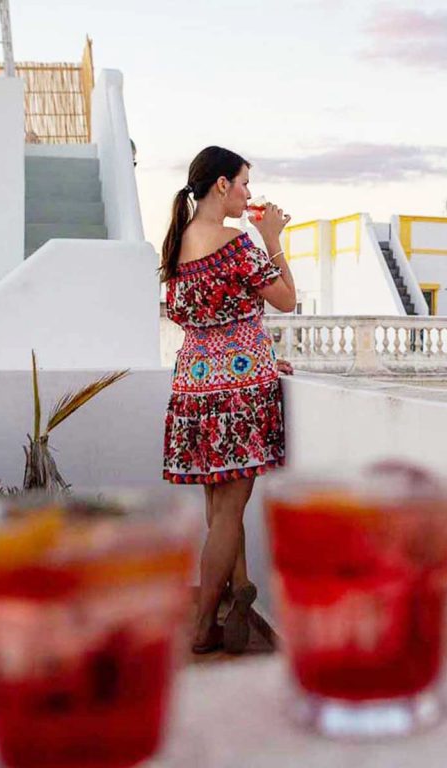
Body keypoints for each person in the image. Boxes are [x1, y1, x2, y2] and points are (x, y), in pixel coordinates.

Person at [159, 146, 296, 654]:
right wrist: (273, 239)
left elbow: (190, 317)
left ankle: (236, 594)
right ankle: (201, 628)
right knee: (231, 510)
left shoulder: (176, 244)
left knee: (218, 509)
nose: (248, 194)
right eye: (243, 184)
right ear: (221, 185)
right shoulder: (239, 244)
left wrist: (254, 350)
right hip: (238, 390)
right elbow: (285, 299)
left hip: (194, 383)